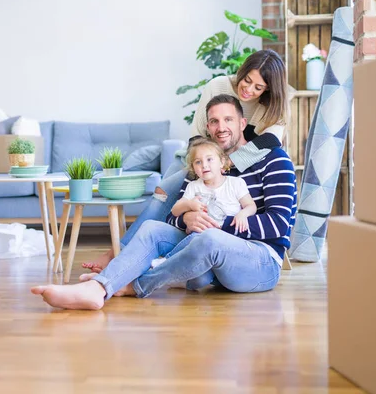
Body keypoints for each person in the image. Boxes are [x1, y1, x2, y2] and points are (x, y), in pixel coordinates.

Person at [31, 94, 297, 310]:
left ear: (242, 123)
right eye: (214, 121)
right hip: (214, 259)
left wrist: (216, 225)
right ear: (208, 128)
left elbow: (280, 224)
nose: (221, 127)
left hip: (260, 260)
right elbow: (172, 216)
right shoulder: (204, 165)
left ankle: (124, 286)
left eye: (228, 119)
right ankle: (103, 286)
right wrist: (185, 218)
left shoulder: (274, 159)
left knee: (210, 238)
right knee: (152, 229)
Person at [82, 49, 290, 273]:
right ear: (242, 71)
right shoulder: (219, 85)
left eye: (258, 87)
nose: (248, 90)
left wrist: (224, 163)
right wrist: (211, 161)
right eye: (247, 80)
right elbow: (197, 135)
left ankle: (140, 260)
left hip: (232, 167)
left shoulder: (271, 108)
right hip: (199, 157)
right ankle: (117, 253)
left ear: (268, 89)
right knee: (162, 194)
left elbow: (270, 142)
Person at [150, 136, 256, 269]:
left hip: (229, 236)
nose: (204, 165)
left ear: (222, 162)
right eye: (198, 162)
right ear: (193, 168)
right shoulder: (194, 186)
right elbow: (175, 210)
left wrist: (242, 214)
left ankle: (168, 260)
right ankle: (173, 263)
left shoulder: (235, 183)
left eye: (209, 159)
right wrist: (189, 204)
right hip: (201, 234)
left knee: (198, 240)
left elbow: (251, 206)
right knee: (195, 238)